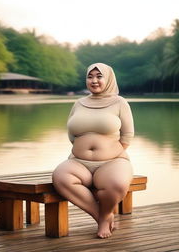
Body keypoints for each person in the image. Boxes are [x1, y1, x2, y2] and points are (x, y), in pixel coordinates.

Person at [52, 63, 134, 238]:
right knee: (60, 177)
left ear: (109, 79)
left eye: (99, 76)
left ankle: (104, 216)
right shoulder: (79, 103)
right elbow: (71, 134)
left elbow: (127, 135)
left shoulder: (120, 103)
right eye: (90, 77)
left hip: (112, 161)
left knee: (117, 184)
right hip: (79, 161)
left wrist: (110, 152)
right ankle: (101, 216)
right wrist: (82, 149)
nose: (94, 80)